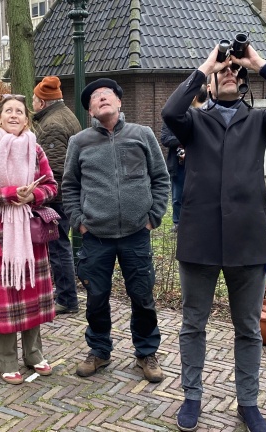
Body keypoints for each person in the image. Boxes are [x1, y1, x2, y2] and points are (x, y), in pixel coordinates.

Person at [162, 44, 266, 432]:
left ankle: (248, 402)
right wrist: (208, 65)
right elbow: (169, 112)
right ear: (209, 85)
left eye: (238, 75)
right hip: (200, 239)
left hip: (248, 240)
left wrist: (258, 63)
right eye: (224, 73)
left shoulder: (259, 122)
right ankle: (192, 396)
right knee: (194, 324)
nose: (232, 76)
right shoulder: (193, 122)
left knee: (248, 327)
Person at [62, 78, 170, 383]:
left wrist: (154, 216)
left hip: (137, 233)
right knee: (96, 297)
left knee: (142, 296)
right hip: (96, 236)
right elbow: (69, 186)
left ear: (119, 102)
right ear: (90, 111)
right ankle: (99, 350)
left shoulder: (142, 134)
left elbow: (161, 178)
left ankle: (146, 353)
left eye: (106, 94)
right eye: (94, 98)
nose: (101, 99)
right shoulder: (79, 142)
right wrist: (79, 221)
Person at [0, 94, 59, 385]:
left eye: (20, 111)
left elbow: (51, 186)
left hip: (31, 236)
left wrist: (33, 195)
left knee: (31, 295)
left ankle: (34, 354)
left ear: (26, 118)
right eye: (8, 111)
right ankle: (6, 361)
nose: (14, 115)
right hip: (0, 239)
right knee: (5, 300)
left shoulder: (36, 150)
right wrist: (8, 195)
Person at [31, 76, 81, 315]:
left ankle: (67, 299)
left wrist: (43, 197)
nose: (32, 104)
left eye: (33, 100)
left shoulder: (51, 125)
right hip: (66, 195)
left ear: (42, 102)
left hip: (57, 199)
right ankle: (65, 293)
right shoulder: (67, 114)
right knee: (60, 246)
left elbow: (55, 169)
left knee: (58, 247)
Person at [160, 86, 207, 232]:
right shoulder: (174, 117)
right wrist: (185, 138)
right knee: (177, 196)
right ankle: (178, 223)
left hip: (198, 164)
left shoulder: (205, 115)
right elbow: (165, 139)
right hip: (178, 164)